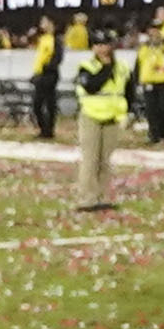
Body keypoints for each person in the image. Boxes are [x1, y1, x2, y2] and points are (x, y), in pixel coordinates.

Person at [69, 21, 129, 207]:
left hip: (113, 117)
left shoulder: (123, 67)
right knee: (90, 160)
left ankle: (102, 197)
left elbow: (129, 91)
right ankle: (87, 198)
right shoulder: (86, 66)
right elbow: (91, 85)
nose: (102, 49)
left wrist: (128, 114)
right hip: (91, 115)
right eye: (98, 44)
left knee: (105, 161)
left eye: (105, 44)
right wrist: (106, 68)